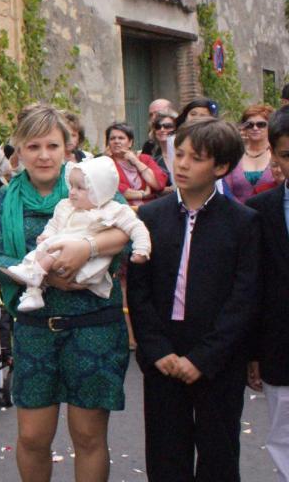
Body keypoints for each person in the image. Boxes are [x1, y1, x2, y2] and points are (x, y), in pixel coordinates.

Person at [0, 105, 131, 482]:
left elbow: (128, 235)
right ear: (19, 150)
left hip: (93, 327)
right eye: (33, 147)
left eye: (52, 145)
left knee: (88, 436)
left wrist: (88, 251)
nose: (44, 155)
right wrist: (43, 277)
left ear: (68, 147)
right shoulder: (6, 199)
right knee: (32, 438)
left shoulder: (91, 183)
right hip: (35, 329)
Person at [127, 118, 259, 482]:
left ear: (220, 167)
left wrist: (205, 357)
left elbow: (243, 298)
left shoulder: (243, 222)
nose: (182, 164)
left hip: (217, 356)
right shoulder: (151, 217)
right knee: (166, 453)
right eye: (179, 154)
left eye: (195, 158)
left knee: (219, 453)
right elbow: (139, 290)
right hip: (164, 351)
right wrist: (156, 349)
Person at [2, 156, 150, 312]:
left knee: (55, 248)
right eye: (71, 186)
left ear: (100, 190)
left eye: (80, 188)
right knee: (42, 251)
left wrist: (142, 249)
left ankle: (35, 274)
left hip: (89, 266)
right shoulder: (66, 206)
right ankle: (33, 293)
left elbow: (137, 228)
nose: (72, 192)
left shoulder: (114, 210)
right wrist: (46, 234)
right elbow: (54, 224)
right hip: (59, 261)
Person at [246, 105, 289, 482]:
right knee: (284, 436)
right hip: (280, 344)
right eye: (288, 155)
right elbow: (253, 286)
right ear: (274, 155)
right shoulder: (259, 211)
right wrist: (254, 352)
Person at [104, 122, 167, 207]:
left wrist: (136, 162)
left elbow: (158, 184)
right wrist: (143, 194)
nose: (116, 141)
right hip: (124, 211)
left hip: (151, 208)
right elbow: (115, 190)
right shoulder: (106, 164)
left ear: (130, 142)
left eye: (121, 138)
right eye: (112, 138)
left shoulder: (145, 159)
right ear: (108, 143)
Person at [225, 104, 277, 203]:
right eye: (250, 125)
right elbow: (226, 190)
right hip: (237, 214)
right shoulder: (235, 153)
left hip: (271, 214)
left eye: (261, 124)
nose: (255, 128)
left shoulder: (278, 154)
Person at [147, 110, 178, 194]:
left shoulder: (186, 154)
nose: (162, 129)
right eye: (158, 126)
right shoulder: (154, 159)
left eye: (168, 126)